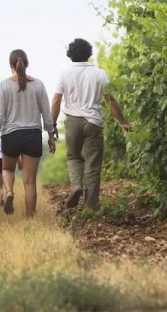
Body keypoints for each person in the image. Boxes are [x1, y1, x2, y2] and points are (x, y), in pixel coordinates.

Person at [51, 39, 131, 211]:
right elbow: (110, 101)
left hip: (73, 121)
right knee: (93, 166)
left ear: (70, 54)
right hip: (93, 122)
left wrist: (52, 124)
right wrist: (123, 122)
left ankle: (75, 187)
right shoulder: (100, 74)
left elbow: (56, 100)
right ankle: (90, 206)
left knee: (73, 157)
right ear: (89, 54)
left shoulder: (64, 74)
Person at [0, 49, 56, 217]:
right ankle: (30, 219)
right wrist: (50, 135)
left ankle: (10, 192)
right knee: (29, 182)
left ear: (11, 65)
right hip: (33, 135)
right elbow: (46, 114)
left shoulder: (4, 85)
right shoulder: (39, 84)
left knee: (7, 168)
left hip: (11, 135)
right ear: (27, 64)